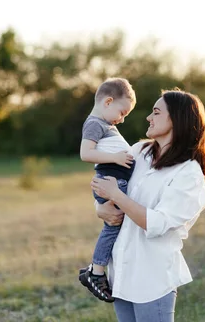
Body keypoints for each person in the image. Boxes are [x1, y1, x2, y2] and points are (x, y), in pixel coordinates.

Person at [90, 88, 205, 322]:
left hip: (152, 277)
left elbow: (156, 224)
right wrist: (100, 208)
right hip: (121, 270)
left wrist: (117, 196)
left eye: (156, 112)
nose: (149, 117)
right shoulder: (139, 151)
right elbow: (105, 178)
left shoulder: (188, 174)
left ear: (177, 120)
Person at [78, 78, 137, 302]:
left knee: (118, 226)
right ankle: (96, 272)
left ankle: (98, 270)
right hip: (110, 180)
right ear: (108, 102)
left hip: (114, 180)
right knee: (113, 225)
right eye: (122, 113)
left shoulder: (105, 124)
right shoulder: (95, 123)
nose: (121, 120)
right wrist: (115, 157)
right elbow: (86, 154)